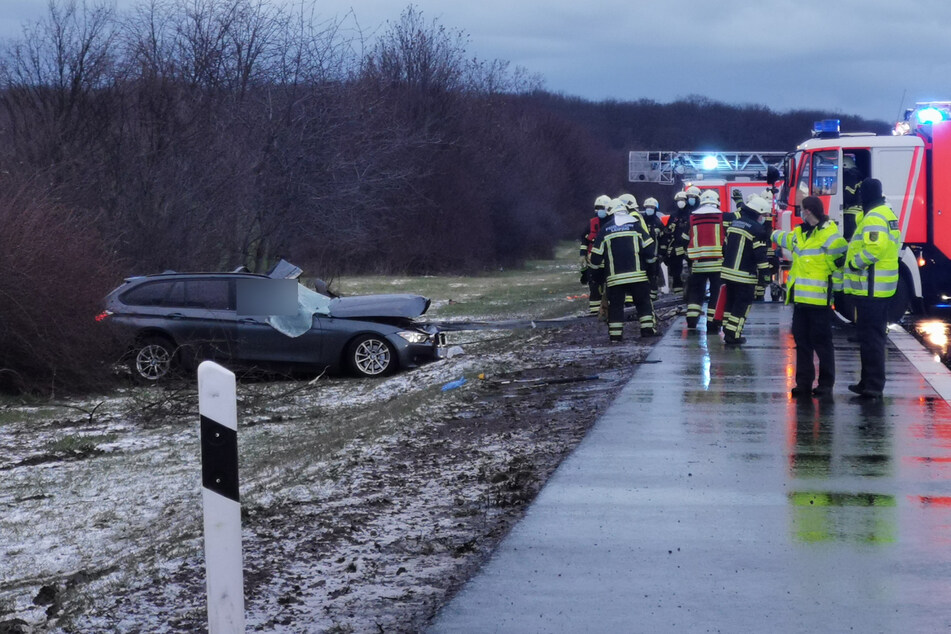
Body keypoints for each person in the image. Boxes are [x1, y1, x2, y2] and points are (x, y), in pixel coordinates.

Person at [772, 196, 847, 398]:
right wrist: (770, 232)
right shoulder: (800, 234)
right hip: (801, 302)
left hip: (820, 302)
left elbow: (839, 269)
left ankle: (825, 384)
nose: (800, 213)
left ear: (808, 211)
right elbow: (783, 238)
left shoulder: (831, 236)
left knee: (823, 345)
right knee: (802, 343)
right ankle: (803, 383)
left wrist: (837, 294)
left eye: (802, 209)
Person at [844, 178, 901, 399]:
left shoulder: (875, 216)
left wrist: (853, 263)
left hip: (872, 288)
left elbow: (874, 249)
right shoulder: (886, 213)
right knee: (869, 337)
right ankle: (867, 381)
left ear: (865, 195)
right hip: (879, 287)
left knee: (872, 338)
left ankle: (873, 385)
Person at [589, 200, 659, 342]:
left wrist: (596, 276)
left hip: (615, 279)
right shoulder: (636, 226)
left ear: (610, 213)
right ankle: (647, 330)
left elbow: (595, 258)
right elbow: (650, 250)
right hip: (638, 276)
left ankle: (615, 335)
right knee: (643, 303)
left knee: (615, 307)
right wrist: (652, 270)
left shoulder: (605, 230)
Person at [720, 195, 772, 345]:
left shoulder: (734, 224)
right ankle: (734, 334)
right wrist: (765, 275)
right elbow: (760, 256)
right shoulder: (758, 230)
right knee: (742, 305)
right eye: (764, 215)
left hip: (728, 272)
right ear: (758, 212)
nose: (765, 218)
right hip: (744, 276)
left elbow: (725, 248)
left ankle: (727, 329)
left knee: (730, 302)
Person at [684, 189, 724, 333]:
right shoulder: (721, 217)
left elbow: (685, 237)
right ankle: (712, 324)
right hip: (717, 263)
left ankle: (692, 320)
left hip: (698, 263)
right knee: (715, 294)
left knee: (695, 292)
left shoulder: (693, 218)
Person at [580, 195, 612, 315]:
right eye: (598, 208)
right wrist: (582, 254)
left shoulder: (612, 222)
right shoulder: (592, 223)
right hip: (593, 262)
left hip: (609, 262)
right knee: (594, 287)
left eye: (602, 208)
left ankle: (611, 309)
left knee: (611, 287)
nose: (600, 211)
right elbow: (584, 240)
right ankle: (594, 312)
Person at [660, 191, 690, 295]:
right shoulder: (674, 215)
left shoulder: (691, 214)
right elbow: (667, 232)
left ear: (686, 201)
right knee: (676, 273)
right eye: (678, 200)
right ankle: (678, 294)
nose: (680, 202)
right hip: (675, 250)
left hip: (688, 249)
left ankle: (689, 293)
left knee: (690, 272)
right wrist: (664, 250)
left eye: (682, 200)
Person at [641, 197, 667, 299]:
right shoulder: (640, 222)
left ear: (655, 209)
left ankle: (653, 296)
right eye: (647, 207)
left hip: (654, 255)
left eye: (651, 207)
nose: (649, 209)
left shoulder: (658, 223)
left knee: (653, 276)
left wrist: (662, 253)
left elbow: (663, 239)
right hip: (642, 255)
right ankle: (644, 295)